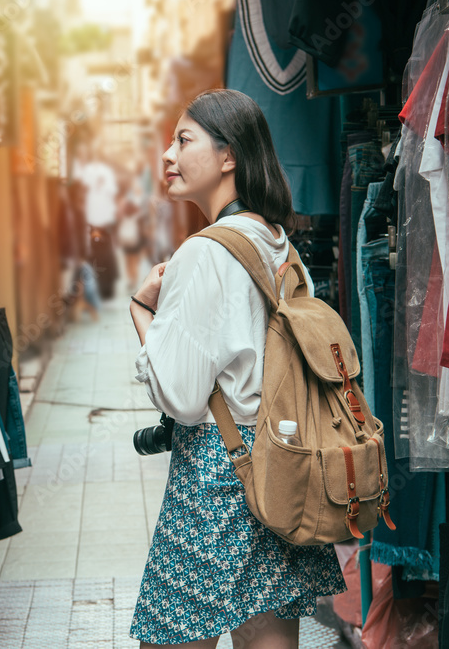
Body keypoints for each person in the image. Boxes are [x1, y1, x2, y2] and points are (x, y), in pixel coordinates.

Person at [128, 89, 346, 648]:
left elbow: (180, 397)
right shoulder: (279, 244)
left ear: (229, 156)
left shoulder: (204, 253)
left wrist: (141, 310)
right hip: (282, 465)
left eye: (183, 140)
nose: (167, 157)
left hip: (216, 473)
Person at [75, 145, 120, 299]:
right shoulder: (88, 171)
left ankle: (104, 289)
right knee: (99, 256)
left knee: (100, 257)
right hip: (97, 221)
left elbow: (111, 194)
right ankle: (101, 289)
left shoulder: (100, 172)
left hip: (100, 221)